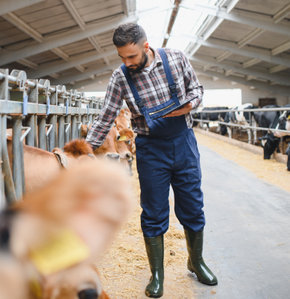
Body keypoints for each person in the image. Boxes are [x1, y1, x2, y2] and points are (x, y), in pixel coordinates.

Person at [85, 23, 217, 298]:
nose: (126, 62)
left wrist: (186, 106)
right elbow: (106, 117)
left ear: (146, 46)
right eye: (121, 57)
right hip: (150, 148)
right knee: (154, 211)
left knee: (193, 205)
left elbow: (197, 90)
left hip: (183, 141)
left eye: (131, 56)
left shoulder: (176, 58)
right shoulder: (120, 77)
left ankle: (196, 261)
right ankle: (157, 274)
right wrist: (84, 149)